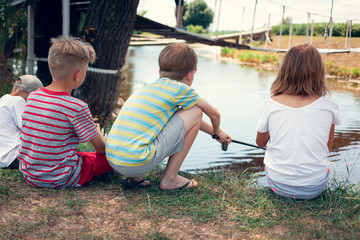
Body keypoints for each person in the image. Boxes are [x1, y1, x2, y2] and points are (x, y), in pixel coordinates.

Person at [106, 43, 231, 190]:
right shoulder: (181, 90)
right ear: (191, 74)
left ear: (159, 71)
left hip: (114, 159)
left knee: (151, 125)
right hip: (136, 161)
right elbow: (214, 113)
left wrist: (214, 134)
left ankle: (136, 177)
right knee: (197, 110)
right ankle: (170, 179)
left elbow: (189, 121)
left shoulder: (149, 89)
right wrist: (217, 130)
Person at [17, 36, 113, 188]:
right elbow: (100, 148)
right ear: (78, 75)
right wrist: (101, 137)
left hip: (31, 174)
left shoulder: (33, 97)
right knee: (111, 157)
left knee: (86, 155)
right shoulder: (77, 107)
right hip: (61, 177)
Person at [256, 43, 341, 200]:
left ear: (284, 70)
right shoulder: (329, 107)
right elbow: (326, 148)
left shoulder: (270, 103)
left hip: (278, 184)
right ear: (318, 73)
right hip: (314, 188)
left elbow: (260, 143)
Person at [0, 75, 43, 169]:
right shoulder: (18, 101)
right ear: (30, 94)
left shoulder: (4, 99)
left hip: (3, 158)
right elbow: (29, 129)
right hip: (12, 158)